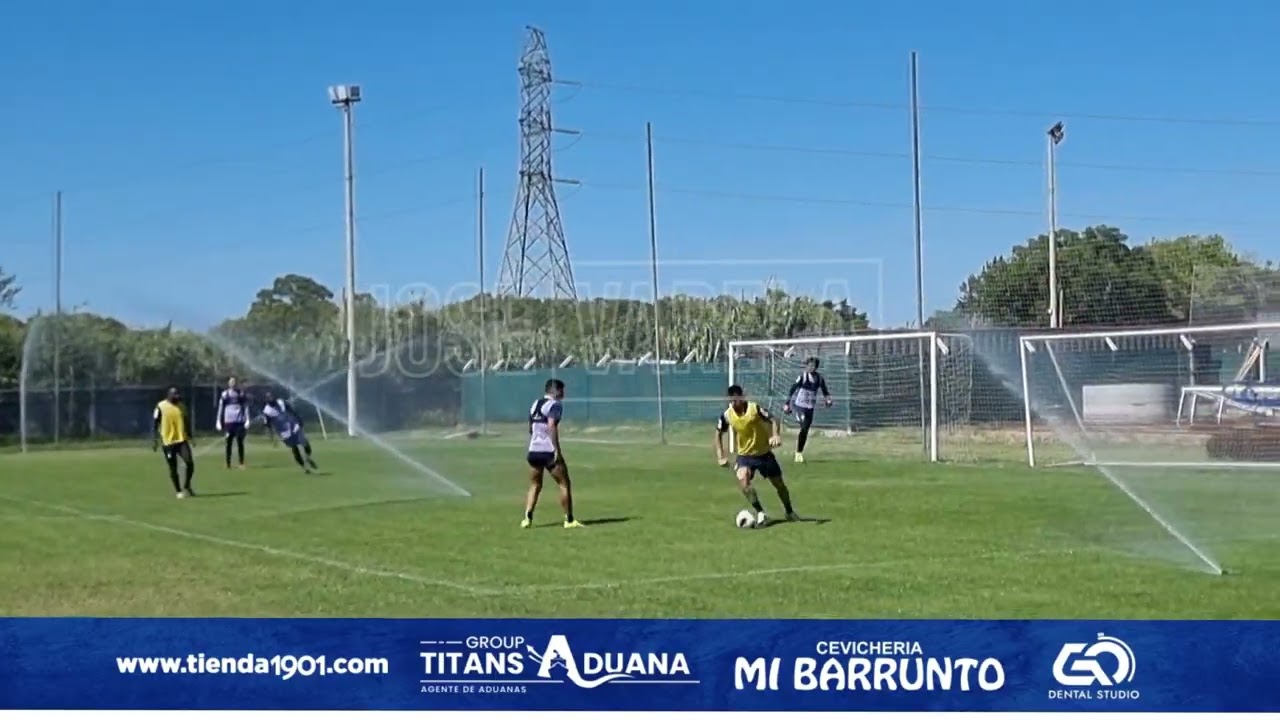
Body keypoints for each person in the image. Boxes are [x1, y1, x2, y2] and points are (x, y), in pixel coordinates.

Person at [715, 384, 799, 526]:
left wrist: (775, 435)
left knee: (779, 485)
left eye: (737, 400)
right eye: (731, 400)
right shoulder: (727, 415)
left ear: (742, 397)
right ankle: (761, 512)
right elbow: (718, 434)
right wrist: (720, 456)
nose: (734, 403)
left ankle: (789, 511)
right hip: (745, 456)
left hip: (764, 454)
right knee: (743, 479)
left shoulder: (754, 409)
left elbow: (773, 419)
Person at [522, 378, 583, 529]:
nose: (563, 393)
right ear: (555, 391)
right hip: (548, 451)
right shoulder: (555, 405)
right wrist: (557, 450)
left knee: (535, 484)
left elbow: (531, 427)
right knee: (564, 483)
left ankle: (527, 519)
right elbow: (551, 426)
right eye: (561, 390)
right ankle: (569, 520)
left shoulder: (535, 404)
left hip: (533, 451)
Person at [782, 357, 833, 463]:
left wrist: (828, 400)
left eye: (813, 366)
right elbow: (792, 389)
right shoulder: (803, 377)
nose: (811, 367)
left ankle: (798, 452)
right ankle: (798, 454)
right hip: (799, 406)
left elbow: (825, 391)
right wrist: (787, 404)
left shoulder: (819, 379)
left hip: (810, 407)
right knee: (804, 427)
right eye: (809, 365)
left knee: (804, 431)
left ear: (816, 367)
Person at [258, 391, 319, 473]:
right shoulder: (267, 411)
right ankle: (304, 467)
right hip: (284, 431)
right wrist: (272, 436)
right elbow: (268, 424)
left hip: (293, 424)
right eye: (268, 397)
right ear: (265, 399)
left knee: (304, 442)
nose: (270, 398)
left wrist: (299, 420)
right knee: (294, 448)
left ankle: (307, 458)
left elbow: (292, 411)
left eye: (271, 396)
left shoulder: (281, 401)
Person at [153, 387, 196, 498]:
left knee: (190, 463)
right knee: (173, 467)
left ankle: (187, 485)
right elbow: (155, 423)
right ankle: (178, 491)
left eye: (178, 396)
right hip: (168, 442)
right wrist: (155, 439)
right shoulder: (160, 406)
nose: (177, 398)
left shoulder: (182, 407)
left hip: (182, 440)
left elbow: (186, 422)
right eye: (175, 396)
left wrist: (191, 437)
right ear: (169, 396)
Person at [216, 376, 249, 470]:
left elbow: (245, 407)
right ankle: (228, 463)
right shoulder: (225, 394)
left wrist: (247, 419)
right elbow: (220, 408)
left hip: (239, 421)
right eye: (231, 381)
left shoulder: (241, 394)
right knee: (228, 443)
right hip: (228, 422)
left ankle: (241, 463)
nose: (233, 383)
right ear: (228, 383)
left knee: (240, 442)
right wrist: (218, 420)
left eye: (234, 381)